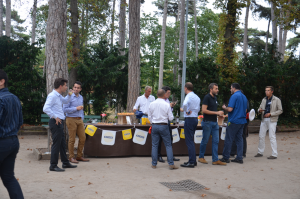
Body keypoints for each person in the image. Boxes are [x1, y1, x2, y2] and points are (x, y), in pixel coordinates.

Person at [43, 78, 77, 172]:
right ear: (61, 86)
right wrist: (55, 117)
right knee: (56, 144)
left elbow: (65, 101)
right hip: (56, 122)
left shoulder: (58, 96)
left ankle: (65, 163)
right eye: (66, 85)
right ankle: (53, 165)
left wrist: (69, 95)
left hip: (60, 122)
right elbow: (45, 108)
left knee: (62, 144)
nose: (67, 87)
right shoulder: (53, 96)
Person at [0, 69, 24, 199]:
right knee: (9, 177)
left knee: (8, 177)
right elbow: (20, 122)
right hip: (13, 142)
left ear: (2, 81)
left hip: (2, 142)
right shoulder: (15, 98)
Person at [148, 89, 178, 170]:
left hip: (154, 125)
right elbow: (171, 118)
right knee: (168, 145)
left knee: (154, 145)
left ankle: (154, 164)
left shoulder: (151, 104)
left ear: (157, 95)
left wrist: (153, 122)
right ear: (164, 95)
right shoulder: (166, 104)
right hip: (164, 125)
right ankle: (171, 164)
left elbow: (149, 116)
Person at [198, 83, 227, 166]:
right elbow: (204, 110)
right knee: (205, 140)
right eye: (216, 88)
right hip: (207, 122)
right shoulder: (207, 97)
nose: (217, 90)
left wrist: (220, 115)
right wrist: (216, 112)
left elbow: (213, 111)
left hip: (215, 123)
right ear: (211, 89)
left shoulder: (215, 98)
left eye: (217, 88)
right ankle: (201, 157)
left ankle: (215, 159)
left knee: (216, 141)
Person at [220, 83, 248, 164]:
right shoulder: (244, 96)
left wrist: (225, 108)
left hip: (234, 121)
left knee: (229, 139)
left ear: (234, 88)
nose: (230, 89)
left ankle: (226, 157)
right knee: (239, 139)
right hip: (242, 121)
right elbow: (245, 110)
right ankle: (239, 157)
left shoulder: (234, 96)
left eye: (231, 88)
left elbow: (230, 109)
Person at [63, 81, 89, 163]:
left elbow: (81, 109)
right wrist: (75, 108)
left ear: (80, 89)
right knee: (72, 139)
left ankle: (79, 156)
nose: (76, 89)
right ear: (73, 87)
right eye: (75, 87)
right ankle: (71, 157)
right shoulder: (69, 97)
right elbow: (64, 109)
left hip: (79, 119)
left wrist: (82, 117)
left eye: (78, 88)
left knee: (83, 138)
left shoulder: (81, 97)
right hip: (71, 119)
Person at [255, 86, 283, 159]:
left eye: (268, 90)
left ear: (272, 91)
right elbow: (259, 108)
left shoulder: (277, 100)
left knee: (272, 136)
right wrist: (259, 110)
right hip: (264, 120)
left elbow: (280, 110)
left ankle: (274, 154)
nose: (266, 92)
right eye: (265, 90)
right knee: (261, 136)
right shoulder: (264, 99)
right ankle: (260, 152)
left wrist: (271, 114)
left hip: (272, 120)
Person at [180, 82, 200, 168]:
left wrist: (186, 111)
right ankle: (192, 160)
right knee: (191, 140)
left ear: (186, 88)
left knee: (189, 141)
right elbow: (198, 108)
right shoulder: (196, 97)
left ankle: (191, 161)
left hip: (189, 119)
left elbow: (184, 104)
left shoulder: (188, 96)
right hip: (195, 118)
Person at [157, 86, 180, 163]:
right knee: (159, 140)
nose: (169, 94)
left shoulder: (167, 100)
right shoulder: (160, 101)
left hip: (167, 122)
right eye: (168, 93)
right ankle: (159, 156)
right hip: (160, 122)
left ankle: (170, 156)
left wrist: (171, 106)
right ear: (164, 93)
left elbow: (169, 112)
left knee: (170, 138)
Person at [230, 91, 250, 158]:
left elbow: (246, 110)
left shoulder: (241, 99)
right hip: (243, 120)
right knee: (240, 136)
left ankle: (240, 153)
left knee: (239, 136)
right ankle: (239, 153)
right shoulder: (245, 99)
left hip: (240, 120)